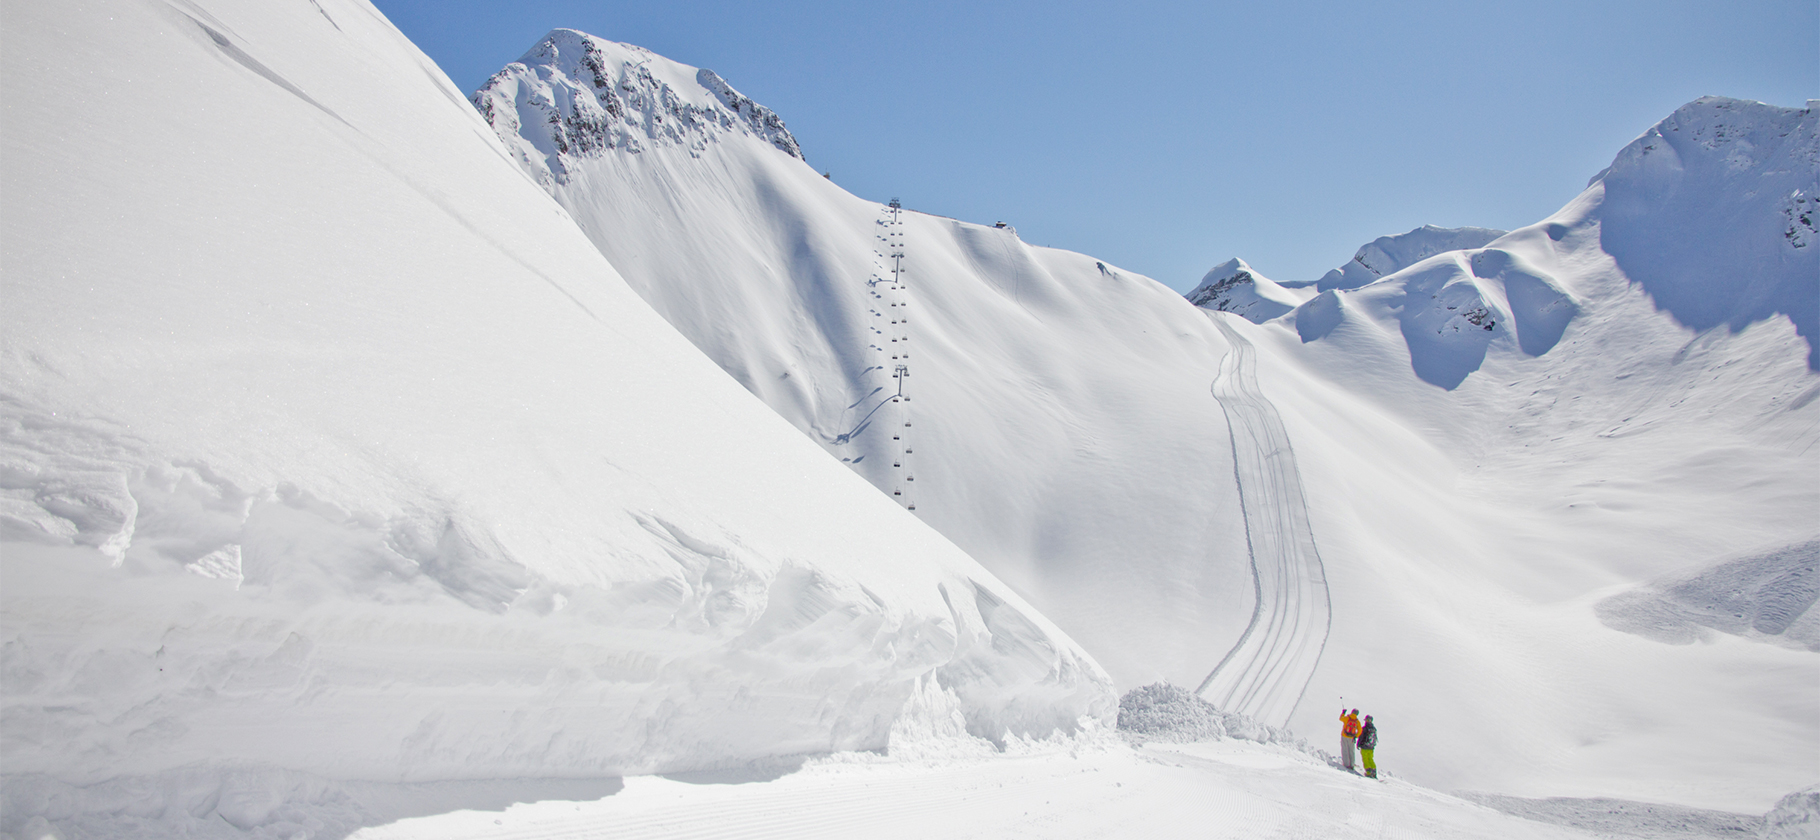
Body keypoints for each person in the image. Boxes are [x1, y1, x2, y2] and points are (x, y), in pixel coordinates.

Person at [1358, 714, 1379, 779]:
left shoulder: (1364, 728)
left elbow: (1361, 737)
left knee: (1365, 759)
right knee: (1370, 758)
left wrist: (1358, 744)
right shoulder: (1374, 729)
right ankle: (1374, 771)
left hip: (1364, 746)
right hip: (1371, 747)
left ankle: (1368, 772)